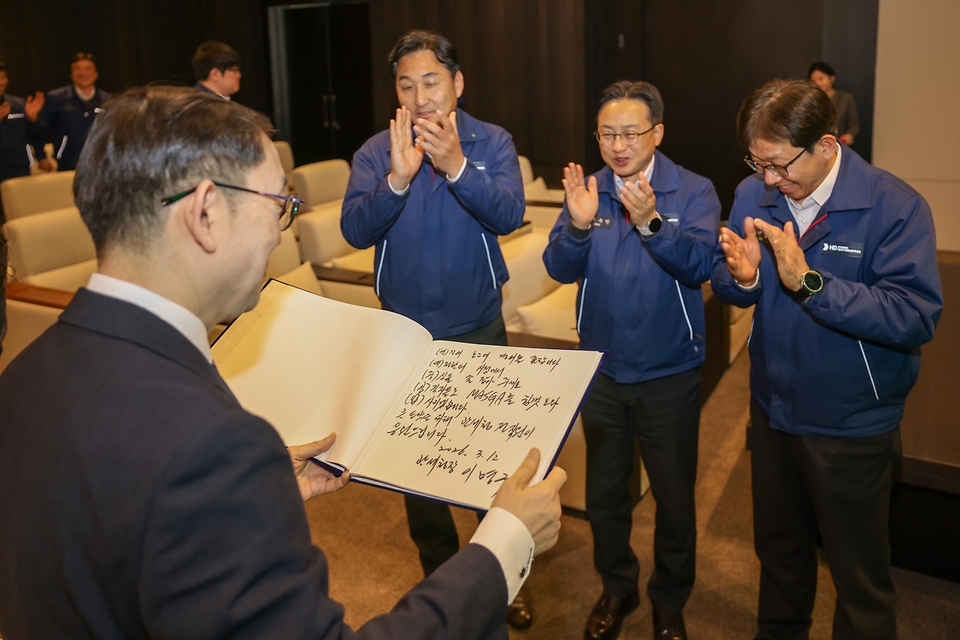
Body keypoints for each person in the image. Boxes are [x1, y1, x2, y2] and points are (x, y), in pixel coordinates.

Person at [0, 85, 567, 640]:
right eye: (279, 204)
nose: (280, 231)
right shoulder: (213, 450)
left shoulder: (23, 376)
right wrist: (505, 542)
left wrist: (247, 505)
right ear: (205, 214)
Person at [713, 79, 942, 640]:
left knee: (859, 578)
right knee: (779, 558)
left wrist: (811, 282)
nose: (769, 180)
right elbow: (728, 280)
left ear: (827, 145)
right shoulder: (753, 194)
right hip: (772, 412)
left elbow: (914, 315)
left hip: (851, 425)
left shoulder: (895, 206)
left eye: (779, 165)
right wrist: (742, 280)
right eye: (756, 162)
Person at [340, 30, 533, 629]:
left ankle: (502, 576)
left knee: (488, 465)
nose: (420, 96)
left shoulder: (491, 141)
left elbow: (507, 212)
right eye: (406, 84)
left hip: (478, 329)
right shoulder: (378, 149)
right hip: (404, 337)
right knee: (417, 476)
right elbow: (354, 228)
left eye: (431, 81)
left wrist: (455, 167)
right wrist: (396, 181)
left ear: (457, 83)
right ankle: (441, 587)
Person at [543, 81, 720, 640]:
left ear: (657, 133)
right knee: (606, 495)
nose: (618, 145)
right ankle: (617, 587)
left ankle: (670, 600)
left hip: (669, 373)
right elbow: (557, 265)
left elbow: (699, 265)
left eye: (631, 133)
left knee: (673, 497)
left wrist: (651, 224)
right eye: (607, 134)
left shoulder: (692, 190)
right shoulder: (588, 189)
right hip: (602, 373)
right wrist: (574, 224)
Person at [32, 52, 110, 172]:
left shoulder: (108, 100)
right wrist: (41, 157)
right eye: (77, 69)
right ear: (71, 74)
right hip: (66, 164)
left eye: (88, 69)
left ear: (96, 74)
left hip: (101, 164)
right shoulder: (57, 98)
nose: (83, 73)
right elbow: (41, 129)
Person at [0, 61, 45, 188]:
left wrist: (33, 119)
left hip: (18, 170)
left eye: (2, 77)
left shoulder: (18, 104)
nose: (0, 82)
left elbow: (37, 135)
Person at [808, 62, 859, 146]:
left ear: (832, 78)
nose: (817, 83)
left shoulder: (846, 98)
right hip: (816, 146)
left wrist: (849, 135)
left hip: (840, 145)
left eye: (821, 79)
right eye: (813, 81)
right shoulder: (810, 100)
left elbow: (854, 126)